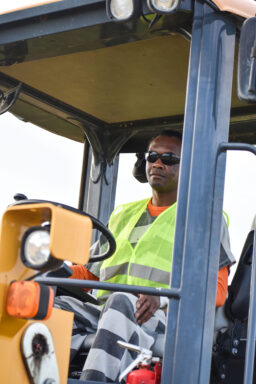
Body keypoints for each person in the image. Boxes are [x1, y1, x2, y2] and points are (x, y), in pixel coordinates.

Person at [55, 131, 235, 382]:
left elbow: (217, 291)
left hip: (166, 317)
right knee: (50, 306)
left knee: (121, 301)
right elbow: (89, 275)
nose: (158, 163)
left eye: (169, 159)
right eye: (153, 157)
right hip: (107, 311)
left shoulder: (205, 220)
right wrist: (47, 271)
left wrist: (161, 298)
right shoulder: (123, 216)